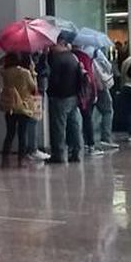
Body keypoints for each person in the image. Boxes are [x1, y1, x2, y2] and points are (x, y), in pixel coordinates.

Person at [45, 33, 85, 164]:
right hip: (74, 96)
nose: (50, 47)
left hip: (59, 97)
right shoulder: (73, 57)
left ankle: (59, 154)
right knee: (75, 125)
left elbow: (54, 80)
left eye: (52, 44)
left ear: (60, 43)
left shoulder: (56, 59)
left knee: (58, 127)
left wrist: (50, 92)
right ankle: (77, 152)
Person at [0, 53, 39, 165]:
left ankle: (5, 159)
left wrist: (4, 58)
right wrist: (33, 72)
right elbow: (34, 88)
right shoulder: (25, 73)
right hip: (23, 107)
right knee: (22, 134)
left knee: (10, 133)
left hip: (10, 106)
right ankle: (21, 160)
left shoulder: (6, 72)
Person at [89, 47, 119, 152]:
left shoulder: (77, 52)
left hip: (86, 86)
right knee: (108, 110)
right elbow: (107, 65)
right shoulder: (95, 51)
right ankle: (106, 138)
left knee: (87, 114)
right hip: (99, 85)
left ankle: (87, 140)